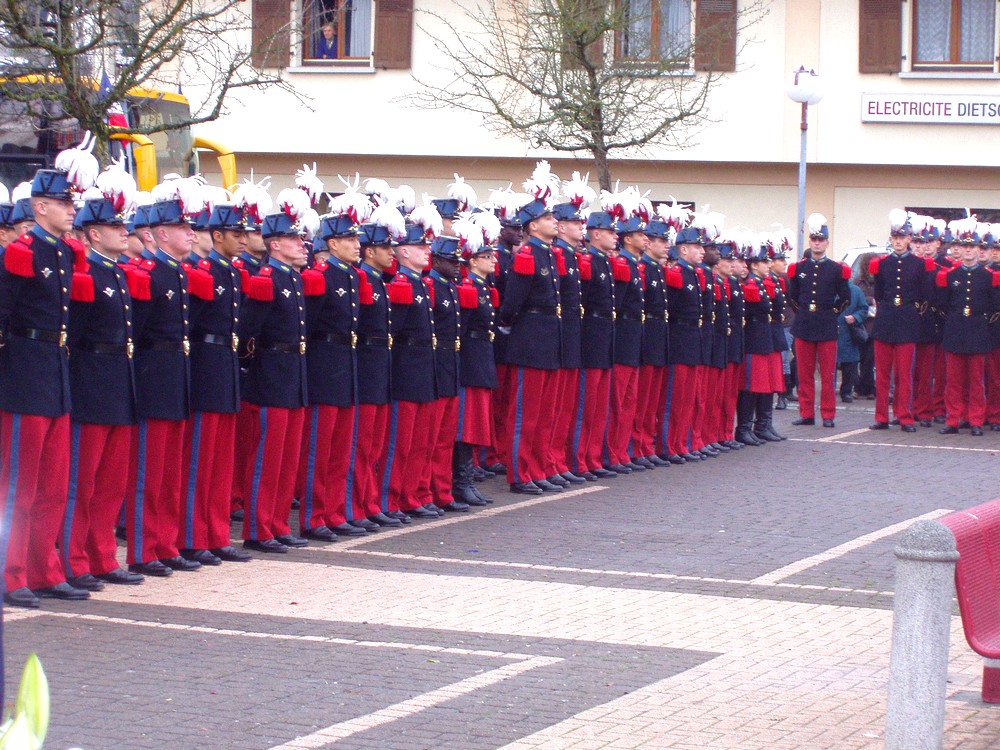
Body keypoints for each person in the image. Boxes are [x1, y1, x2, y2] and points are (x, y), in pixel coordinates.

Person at [0, 149, 96, 608]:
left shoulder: (64, 252)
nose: (72, 209)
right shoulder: (22, 252)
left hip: (54, 371)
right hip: (24, 372)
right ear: (41, 206)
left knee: (54, 486)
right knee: (18, 486)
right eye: (65, 202)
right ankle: (10, 573)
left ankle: (44, 569)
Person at [61, 175, 147, 591]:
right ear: (94, 234)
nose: (124, 232)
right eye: (116, 227)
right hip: (91, 385)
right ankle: (73, 560)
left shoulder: (115, 273)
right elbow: (73, 339)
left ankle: (101, 557)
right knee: (82, 481)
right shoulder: (85, 274)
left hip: (118, 383)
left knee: (111, 484)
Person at [127, 188, 200, 577]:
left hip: (176, 375)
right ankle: (143, 549)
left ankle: (166, 543)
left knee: (171, 472)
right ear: (158, 233)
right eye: (181, 226)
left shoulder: (176, 271)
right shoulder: (150, 272)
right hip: (155, 376)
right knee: (149, 473)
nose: (190, 233)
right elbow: (134, 334)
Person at [238, 200, 318, 552]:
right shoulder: (265, 280)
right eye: (293, 238)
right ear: (274, 244)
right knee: (268, 458)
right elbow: (247, 333)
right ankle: (258, 529)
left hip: (293, 373)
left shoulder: (293, 279)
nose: (302, 244)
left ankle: (278, 523)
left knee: (287, 458)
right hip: (270, 374)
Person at [180, 202, 253, 565]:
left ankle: (215, 533)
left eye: (244, 234)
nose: (243, 240)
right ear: (218, 235)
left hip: (225, 364)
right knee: (200, 459)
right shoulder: (201, 271)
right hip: (206, 365)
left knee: (220, 461)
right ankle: (194, 536)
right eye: (236, 234)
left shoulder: (233, 274)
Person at [300, 201, 372, 540]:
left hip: (348, 363)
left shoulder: (351, 277)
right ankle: (314, 517)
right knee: (321, 448)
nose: (357, 244)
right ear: (331, 244)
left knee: (342, 448)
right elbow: (309, 327)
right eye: (349, 238)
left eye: (357, 238)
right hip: (325, 365)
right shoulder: (320, 278)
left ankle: (334, 511)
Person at [497, 162, 563, 494]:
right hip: (529, 338)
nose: (556, 222)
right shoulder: (527, 256)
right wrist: (508, 327)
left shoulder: (548, 255)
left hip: (547, 337)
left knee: (543, 413)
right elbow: (512, 303)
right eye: (550, 219)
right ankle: (520, 472)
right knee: (525, 413)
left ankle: (537, 468)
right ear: (534, 226)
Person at [353, 206, 408, 527]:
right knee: (361, 446)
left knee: (375, 445)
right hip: (364, 367)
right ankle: (357, 507)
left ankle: (370, 503)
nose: (392, 253)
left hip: (380, 367)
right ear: (370, 251)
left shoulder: (379, 282)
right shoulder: (362, 279)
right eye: (386, 248)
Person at [452, 210, 502, 505]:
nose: (493, 261)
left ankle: (466, 479)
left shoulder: (483, 288)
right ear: (472, 261)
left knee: (475, 425)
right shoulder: (468, 289)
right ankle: (461, 481)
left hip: (482, 358)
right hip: (470, 360)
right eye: (487, 257)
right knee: (465, 425)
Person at [869, 209, 933, 432]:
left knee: (904, 374)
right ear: (891, 239)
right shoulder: (883, 264)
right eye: (894, 238)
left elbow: (924, 295)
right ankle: (881, 417)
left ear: (909, 239)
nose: (898, 241)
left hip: (907, 320)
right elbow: (878, 293)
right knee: (883, 373)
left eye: (901, 238)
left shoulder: (918, 264)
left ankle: (905, 416)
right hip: (886, 320)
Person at [935, 218, 1000, 436]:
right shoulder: (951, 275)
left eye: (974, 247)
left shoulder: (989, 277)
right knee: (954, 381)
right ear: (960, 250)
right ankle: (954, 419)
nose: (970, 251)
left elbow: (994, 307)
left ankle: (975, 420)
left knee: (977, 382)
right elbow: (942, 305)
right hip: (955, 330)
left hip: (978, 331)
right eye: (966, 247)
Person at [787, 213, 850, 428]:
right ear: (810, 242)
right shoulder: (799, 268)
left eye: (821, 239)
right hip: (804, 323)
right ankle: (806, 413)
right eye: (814, 239)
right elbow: (792, 297)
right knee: (804, 373)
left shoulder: (836, 269)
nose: (817, 243)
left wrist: (831, 313)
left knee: (827, 374)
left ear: (827, 242)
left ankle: (828, 414)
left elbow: (845, 298)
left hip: (826, 324)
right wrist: (803, 313)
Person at [572, 208, 618, 480]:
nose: (616, 237)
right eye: (611, 232)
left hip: (604, 334)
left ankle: (592, 457)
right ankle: (579, 459)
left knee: (599, 406)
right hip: (591, 334)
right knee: (586, 405)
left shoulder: (605, 262)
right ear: (596, 233)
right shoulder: (588, 261)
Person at [606, 196, 647, 473]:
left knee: (630, 400)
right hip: (622, 336)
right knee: (617, 401)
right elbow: (616, 305)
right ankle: (613, 452)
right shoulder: (622, 264)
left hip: (635, 336)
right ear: (627, 238)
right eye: (640, 234)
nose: (645, 239)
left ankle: (621, 452)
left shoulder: (634, 265)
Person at [735, 243, 782, 446]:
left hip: (766, 336)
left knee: (766, 385)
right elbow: (760, 309)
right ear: (754, 266)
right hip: (755, 337)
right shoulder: (751, 285)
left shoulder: (764, 283)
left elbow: (777, 306)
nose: (768, 265)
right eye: (764, 262)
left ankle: (763, 425)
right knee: (751, 386)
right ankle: (745, 427)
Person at [836, 280, 869, 403]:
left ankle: (846, 391)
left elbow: (863, 309)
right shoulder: (829, 288)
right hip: (832, 331)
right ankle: (829, 390)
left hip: (849, 332)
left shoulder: (856, 290)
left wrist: (855, 317)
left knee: (850, 364)